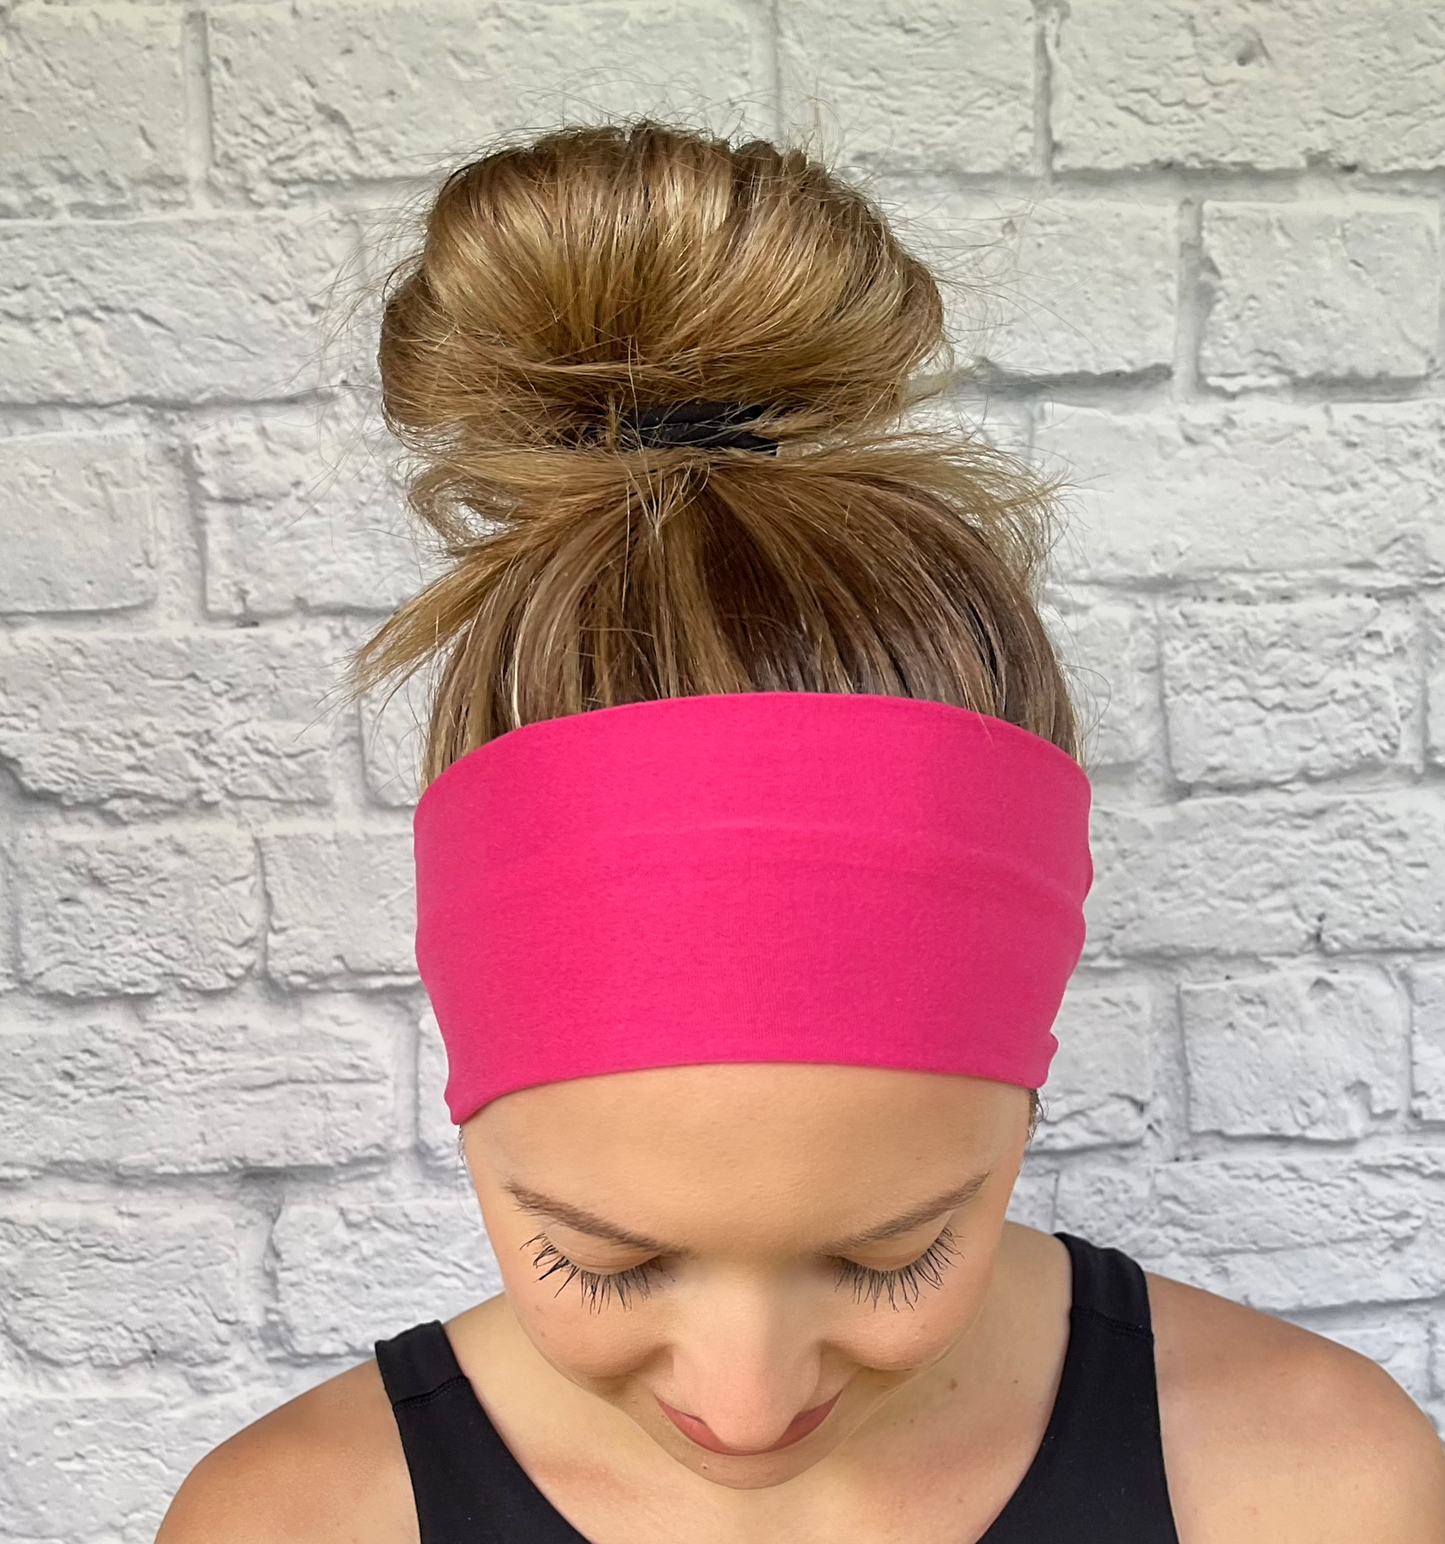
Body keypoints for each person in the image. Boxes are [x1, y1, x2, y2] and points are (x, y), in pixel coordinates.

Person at [156, 121, 1445, 1544]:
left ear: (1027, 1099)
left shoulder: (1309, 1489)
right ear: (468, 1109)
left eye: (892, 1257)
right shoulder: (290, 1524)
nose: (747, 1402)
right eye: (603, 1264)